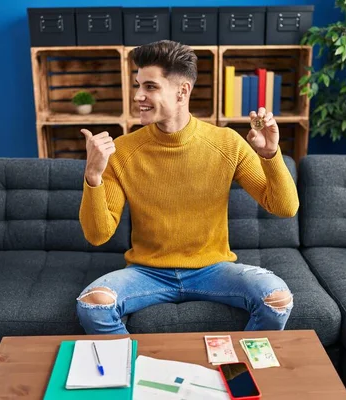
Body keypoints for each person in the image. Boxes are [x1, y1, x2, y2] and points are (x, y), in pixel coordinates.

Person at [77, 40, 299, 335]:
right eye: (138, 85)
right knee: (93, 305)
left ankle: (237, 369)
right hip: (147, 272)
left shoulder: (227, 144)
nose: (138, 96)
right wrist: (93, 176)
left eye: (150, 87)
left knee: (278, 300)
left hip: (214, 270)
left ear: (182, 91)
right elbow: (97, 234)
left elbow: (285, 208)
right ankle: (136, 372)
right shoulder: (123, 150)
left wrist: (271, 154)